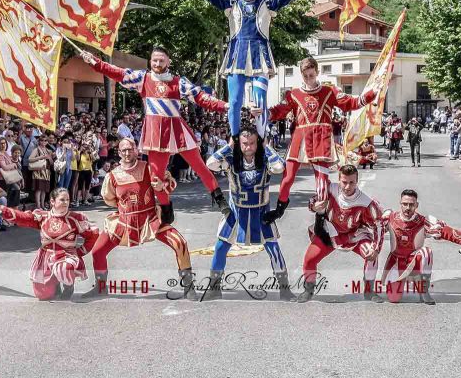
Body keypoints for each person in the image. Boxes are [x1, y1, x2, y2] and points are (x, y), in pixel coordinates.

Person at [174, 0, 332, 137]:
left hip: (260, 57)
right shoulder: (231, 1)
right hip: (236, 56)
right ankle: (234, 140)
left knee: (259, 102)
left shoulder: (267, 2)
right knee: (234, 101)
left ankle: (262, 140)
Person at [81, 46, 229, 215]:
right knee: (155, 178)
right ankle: (166, 210)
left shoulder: (179, 82)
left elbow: (202, 97)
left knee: (200, 167)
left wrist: (225, 106)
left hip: (177, 130)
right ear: (150, 61)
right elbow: (118, 72)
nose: (157, 64)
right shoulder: (142, 78)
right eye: (154, 60)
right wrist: (95, 62)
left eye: (161, 60)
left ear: (168, 62)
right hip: (155, 133)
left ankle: (219, 198)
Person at [266, 56, 375, 221]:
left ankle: (321, 218)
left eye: (311, 75)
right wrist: (264, 113)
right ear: (301, 75)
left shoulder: (330, 91)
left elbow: (350, 103)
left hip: (321, 139)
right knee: (287, 178)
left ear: (317, 72)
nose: (309, 79)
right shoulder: (293, 94)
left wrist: (369, 96)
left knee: (322, 183)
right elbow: (279, 110)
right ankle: (280, 209)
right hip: (299, 139)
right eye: (306, 76)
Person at [91, 139, 197, 299]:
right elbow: (109, 199)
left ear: (136, 150)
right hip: (123, 222)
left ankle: (189, 288)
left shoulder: (148, 168)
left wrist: (162, 186)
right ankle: (100, 288)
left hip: (151, 219)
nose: (127, 153)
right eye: (124, 150)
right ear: (119, 152)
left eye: (130, 149)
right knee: (98, 251)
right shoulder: (112, 176)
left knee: (179, 243)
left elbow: (170, 185)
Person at [203, 127, 292, 300]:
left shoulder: (265, 159)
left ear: (257, 143)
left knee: (273, 248)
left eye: (252, 143)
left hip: (261, 211)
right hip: (236, 212)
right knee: (221, 247)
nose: (248, 147)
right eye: (244, 143)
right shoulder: (230, 159)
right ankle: (214, 287)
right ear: (239, 143)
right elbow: (210, 164)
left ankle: (285, 288)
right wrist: (229, 145)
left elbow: (280, 167)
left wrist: (266, 146)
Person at [298, 164, 384, 303]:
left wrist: (376, 249)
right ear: (339, 179)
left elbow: (378, 226)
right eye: (344, 182)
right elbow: (313, 200)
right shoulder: (330, 189)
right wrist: (313, 206)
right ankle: (308, 290)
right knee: (309, 259)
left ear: (357, 181)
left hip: (355, 236)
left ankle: (369, 291)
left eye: (351, 182)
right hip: (331, 234)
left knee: (372, 256)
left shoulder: (366, 202)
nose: (347, 187)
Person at [381, 189, 461, 304]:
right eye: (405, 204)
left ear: (416, 205)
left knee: (426, 252)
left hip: (413, 261)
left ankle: (423, 288)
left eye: (411, 204)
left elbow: (448, 232)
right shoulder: (390, 218)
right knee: (393, 299)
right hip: (396, 261)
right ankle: (404, 281)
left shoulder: (424, 221)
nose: (407, 208)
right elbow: (374, 229)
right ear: (400, 203)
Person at [0, 188, 99, 300]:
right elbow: (22, 218)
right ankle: (55, 284)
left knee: (64, 267)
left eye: (67, 199)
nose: (66, 202)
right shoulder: (42, 217)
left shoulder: (75, 218)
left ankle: (68, 286)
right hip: (46, 258)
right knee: (43, 296)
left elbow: (92, 235)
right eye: (62, 200)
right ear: (52, 201)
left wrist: (80, 252)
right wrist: (1, 209)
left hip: (66, 257)